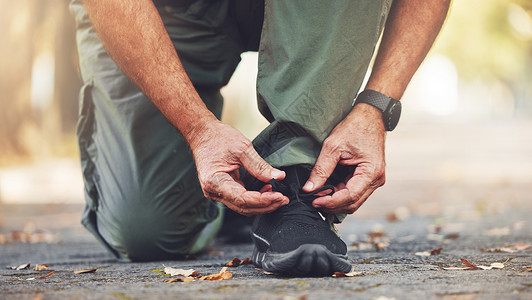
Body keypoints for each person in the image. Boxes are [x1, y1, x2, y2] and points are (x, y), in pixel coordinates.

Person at [70, 0, 450, 276]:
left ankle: (294, 187)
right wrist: (198, 130)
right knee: (146, 233)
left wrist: (374, 107)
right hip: (170, 9)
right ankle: (234, 200)